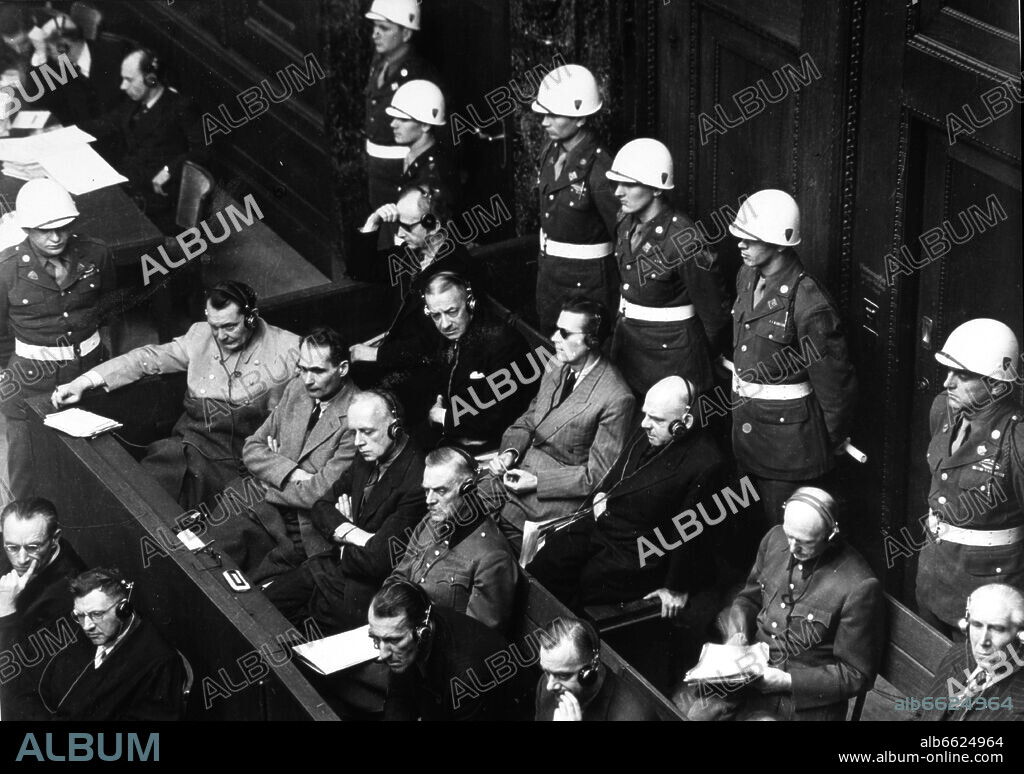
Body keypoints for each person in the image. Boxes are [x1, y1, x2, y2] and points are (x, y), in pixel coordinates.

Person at [52, 281, 301, 511]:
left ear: (251, 318)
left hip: (239, 454)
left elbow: (312, 407)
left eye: (230, 327)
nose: (221, 336)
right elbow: (147, 359)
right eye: (215, 327)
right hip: (188, 440)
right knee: (143, 492)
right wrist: (84, 381)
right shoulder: (199, 335)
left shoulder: (290, 350)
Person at [527, 376, 727, 617]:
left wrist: (676, 588)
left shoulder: (707, 463)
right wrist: (602, 494)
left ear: (684, 422)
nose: (644, 424)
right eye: (646, 414)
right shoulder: (652, 429)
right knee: (547, 560)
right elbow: (618, 474)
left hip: (640, 552)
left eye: (656, 419)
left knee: (580, 583)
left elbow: (690, 533)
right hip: (605, 523)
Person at [679, 487, 882, 721]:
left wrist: (787, 681)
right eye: (790, 536)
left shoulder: (859, 585)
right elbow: (749, 598)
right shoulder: (775, 538)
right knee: (692, 715)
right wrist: (738, 634)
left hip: (801, 701)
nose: (793, 549)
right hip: (749, 674)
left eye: (805, 542)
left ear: (831, 536)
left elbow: (857, 674)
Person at [728, 189, 857, 524]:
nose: (740, 244)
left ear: (780, 242)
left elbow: (836, 389)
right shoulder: (747, 276)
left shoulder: (809, 303)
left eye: (750, 238)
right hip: (748, 433)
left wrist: (819, 444)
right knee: (750, 532)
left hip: (790, 451)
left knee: (784, 535)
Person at [198, 327, 359, 579]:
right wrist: (292, 472)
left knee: (230, 571)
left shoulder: (357, 415)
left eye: (317, 371)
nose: (307, 379)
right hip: (264, 503)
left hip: (302, 527)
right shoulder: (297, 389)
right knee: (208, 554)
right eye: (302, 368)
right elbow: (251, 448)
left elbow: (318, 494)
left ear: (342, 369)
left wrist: (269, 477)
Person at [264, 390, 426, 632]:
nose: (358, 441)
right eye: (354, 432)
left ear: (395, 428)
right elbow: (321, 506)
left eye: (368, 432)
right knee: (262, 607)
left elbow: (378, 561)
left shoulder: (417, 479)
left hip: (363, 592)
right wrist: (353, 533)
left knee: (297, 638)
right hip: (328, 568)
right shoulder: (367, 457)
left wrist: (341, 541)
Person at [0, 179, 117, 498]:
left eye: (63, 227)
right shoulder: (7, 270)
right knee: (27, 471)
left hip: (88, 370)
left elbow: (108, 309)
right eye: (43, 230)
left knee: (99, 462)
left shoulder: (96, 254)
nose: (55, 237)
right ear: (26, 228)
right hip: (30, 380)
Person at [490, 297, 634, 554]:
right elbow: (530, 418)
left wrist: (536, 481)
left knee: (489, 548)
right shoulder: (556, 363)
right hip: (514, 472)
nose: (555, 338)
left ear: (592, 340)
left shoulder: (616, 397)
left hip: (549, 498)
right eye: (556, 329)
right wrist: (509, 453)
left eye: (565, 333)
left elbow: (598, 475)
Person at [914, 319, 1024, 636]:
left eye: (962, 376)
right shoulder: (943, 409)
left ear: (998, 386)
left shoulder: (1016, 442)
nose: (948, 383)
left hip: (987, 589)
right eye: (949, 372)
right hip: (934, 571)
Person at [607, 138, 731, 397]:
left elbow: (715, 317)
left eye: (629, 184)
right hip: (629, 348)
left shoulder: (683, 239)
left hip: (671, 359)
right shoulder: (624, 224)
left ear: (656, 189)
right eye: (617, 183)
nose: (618, 192)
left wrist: (693, 356)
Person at [347, 186, 476, 425]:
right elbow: (362, 269)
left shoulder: (455, 267)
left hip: (434, 369)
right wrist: (372, 223)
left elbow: (436, 342)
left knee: (358, 389)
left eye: (407, 226)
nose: (399, 233)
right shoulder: (413, 254)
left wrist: (375, 353)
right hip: (402, 356)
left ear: (433, 225)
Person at [387, 447, 518, 632]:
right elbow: (400, 576)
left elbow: (473, 638)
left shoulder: (493, 557)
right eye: (426, 490)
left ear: (468, 489)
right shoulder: (431, 521)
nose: (429, 500)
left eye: (440, 491)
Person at [530, 64, 619, 335]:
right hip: (550, 277)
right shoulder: (550, 151)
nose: (544, 122)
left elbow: (622, 232)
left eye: (554, 115)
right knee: (551, 349)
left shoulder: (600, 167)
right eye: (544, 114)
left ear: (581, 119)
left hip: (588, 282)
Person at [81, 47, 207, 232]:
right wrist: (65, 131)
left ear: (151, 79)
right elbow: (107, 122)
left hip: (156, 195)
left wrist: (169, 169)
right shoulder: (134, 102)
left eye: (129, 80)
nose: (122, 86)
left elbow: (202, 150)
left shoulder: (180, 107)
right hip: (128, 180)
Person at [36, 568, 186, 720]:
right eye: (79, 615)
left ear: (123, 609)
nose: (87, 626)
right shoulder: (92, 628)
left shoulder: (160, 662)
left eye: (97, 614)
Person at [369, 579, 521, 721]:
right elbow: (399, 697)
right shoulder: (418, 625)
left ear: (423, 631)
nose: (383, 654)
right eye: (376, 638)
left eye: (394, 640)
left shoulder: (468, 677)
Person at [0, 499, 85, 720]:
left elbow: (18, 669)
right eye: (12, 547)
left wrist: (7, 612)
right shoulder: (13, 545)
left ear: (55, 538)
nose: (20, 559)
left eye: (33, 548)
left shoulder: (71, 593)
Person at [363, 0, 440, 211]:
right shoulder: (379, 62)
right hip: (375, 170)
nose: (375, 34)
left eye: (384, 28)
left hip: (400, 173)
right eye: (375, 27)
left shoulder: (419, 75)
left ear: (406, 34)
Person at [914, 584, 1024, 721]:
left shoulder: (1019, 704)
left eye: (997, 629)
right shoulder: (957, 655)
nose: (983, 641)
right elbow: (921, 715)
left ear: (1021, 635)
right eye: (977, 625)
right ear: (966, 626)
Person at [535, 617, 656, 721]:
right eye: (546, 672)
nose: (549, 686)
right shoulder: (545, 687)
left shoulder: (634, 716)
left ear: (592, 668)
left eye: (563, 676)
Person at [34, 11, 130, 125]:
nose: (49, 55)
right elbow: (39, 101)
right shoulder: (61, 65)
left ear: (64, 47)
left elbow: (126, 107)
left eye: (50, 50)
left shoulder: (114, 55)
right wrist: (38, 57)